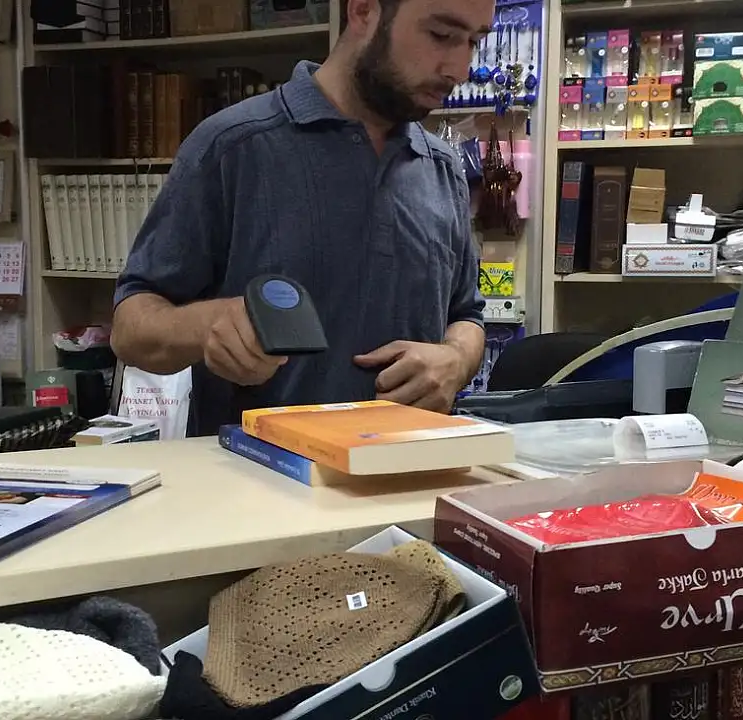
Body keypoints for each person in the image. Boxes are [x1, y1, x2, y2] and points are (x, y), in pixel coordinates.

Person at [111, 0, 496, 436]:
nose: (459, 69)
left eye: (474, 42)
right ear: (364, 11)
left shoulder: (443, 168)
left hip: (410, 469)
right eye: (441, 35)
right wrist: (205, 327)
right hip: (259, 472)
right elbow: (129, 328)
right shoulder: (232, 147)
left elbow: (467, 315)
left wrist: (456, 359)